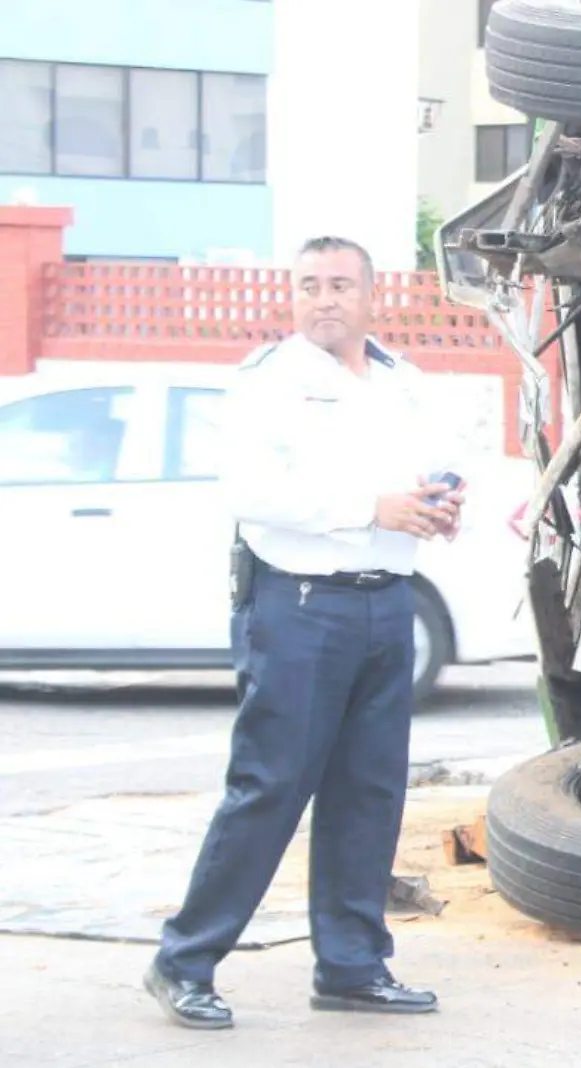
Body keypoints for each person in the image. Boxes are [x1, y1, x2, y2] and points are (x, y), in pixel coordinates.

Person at [143, 235, 466, 1029]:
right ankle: (183, 961)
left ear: (370, 295)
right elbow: (251, 490)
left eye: (339, 285)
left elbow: (440, 466)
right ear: (293, 295)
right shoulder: (267, 383)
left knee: (369, 792)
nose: (323, 298)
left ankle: (353, 965)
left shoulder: (404, 383)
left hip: (387, 602)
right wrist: (371, 507)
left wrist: (442, 502)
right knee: (270, 788)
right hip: (299, 608)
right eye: (309, 284)